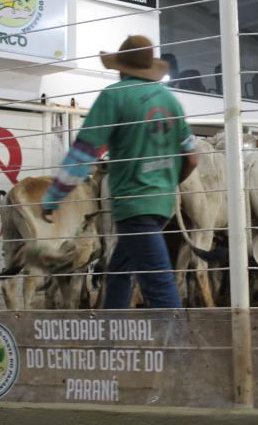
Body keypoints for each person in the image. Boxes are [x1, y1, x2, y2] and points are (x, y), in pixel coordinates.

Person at [41, 35, 198, 309]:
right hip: (162, 207)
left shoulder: (114, 96)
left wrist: (54, 197)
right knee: (117, 273)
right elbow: (193, 159)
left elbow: (83, 153)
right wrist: (166, 184)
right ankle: (112, 339)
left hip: (132, 205)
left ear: (121, 67)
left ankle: (178, 350)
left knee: (159, 286)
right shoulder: (170, 101)